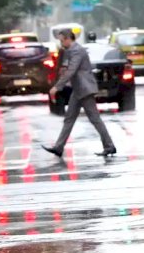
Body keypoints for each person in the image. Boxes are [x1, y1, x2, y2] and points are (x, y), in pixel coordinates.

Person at [42, 29, 117, 158]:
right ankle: (59, 147)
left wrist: (57, 87)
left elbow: (71, 71)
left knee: (95, 119)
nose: (60, 43)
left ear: (67, 38)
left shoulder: (77, 51)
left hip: (85, 89)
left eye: (61, 40)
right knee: (69, 119)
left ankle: (109, 146)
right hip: (78, 90)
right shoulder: (70, 51)